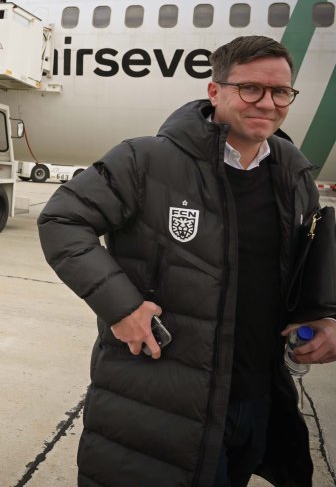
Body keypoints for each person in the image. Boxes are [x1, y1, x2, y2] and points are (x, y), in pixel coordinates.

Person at [37, 35, 336, 486]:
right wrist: (121, 308)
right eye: (250, 88)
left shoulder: (293, 174)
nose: (267, 103)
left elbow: (299, 267)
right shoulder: (146, 160)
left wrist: (325, 317)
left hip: (255, 400)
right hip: (163, 404)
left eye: (280, 92)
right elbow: (62, 220)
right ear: (214, 91)